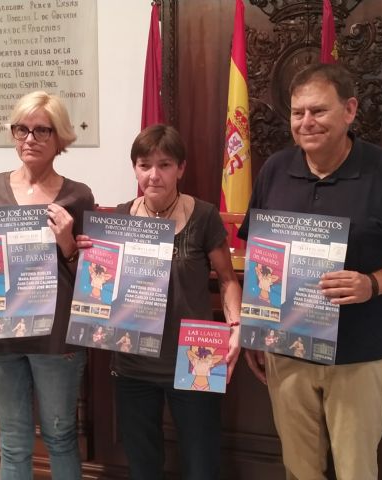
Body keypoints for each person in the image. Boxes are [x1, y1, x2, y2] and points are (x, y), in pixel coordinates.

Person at [239, 63, 382, 480]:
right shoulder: (274, 169)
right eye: (298, 113)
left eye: (318, 111)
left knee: (356, 471)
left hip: (357, 353)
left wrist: (373, 283)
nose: (306, 122)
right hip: (287, 351)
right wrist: (254, 330)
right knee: (299, 470)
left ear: (349, 110)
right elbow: (259, 255)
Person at [77, 124, 242, 479]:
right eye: (144, 165)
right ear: (135, 169)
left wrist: (236, 327)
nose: (154, 175)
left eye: (164, 165)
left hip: (197, 357)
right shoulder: (118, 219)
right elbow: (101, 290)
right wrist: (88, 258)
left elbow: (228, 280)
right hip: (132, 362)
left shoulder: (204, 216)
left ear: (181, 168)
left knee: (202, 464)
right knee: (143, 466)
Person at [0, 91, 94, 480]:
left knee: (61, 438)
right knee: (12, 442)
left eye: (42, 130)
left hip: (56, 339)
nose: (30, 138)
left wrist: (66, 242)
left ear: (59, 137)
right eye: (21, 129)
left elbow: (92, 276)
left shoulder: (79, 195)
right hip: (1, 336)